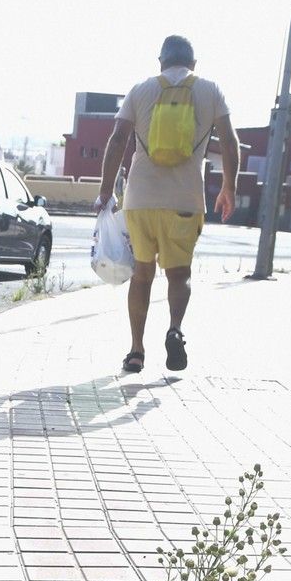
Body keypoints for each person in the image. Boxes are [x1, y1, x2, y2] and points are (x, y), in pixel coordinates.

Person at [94, 35, 238, 373]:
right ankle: (175, 329)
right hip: (185, 200)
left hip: (141, 200)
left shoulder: (141, 90)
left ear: (160, 62)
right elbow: (230, 142)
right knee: (179, 275)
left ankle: (135, 352)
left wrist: (104, 191)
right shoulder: (210, 91)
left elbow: (117, 140)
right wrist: (229, 186)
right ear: (193, 63)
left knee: (142, 275)